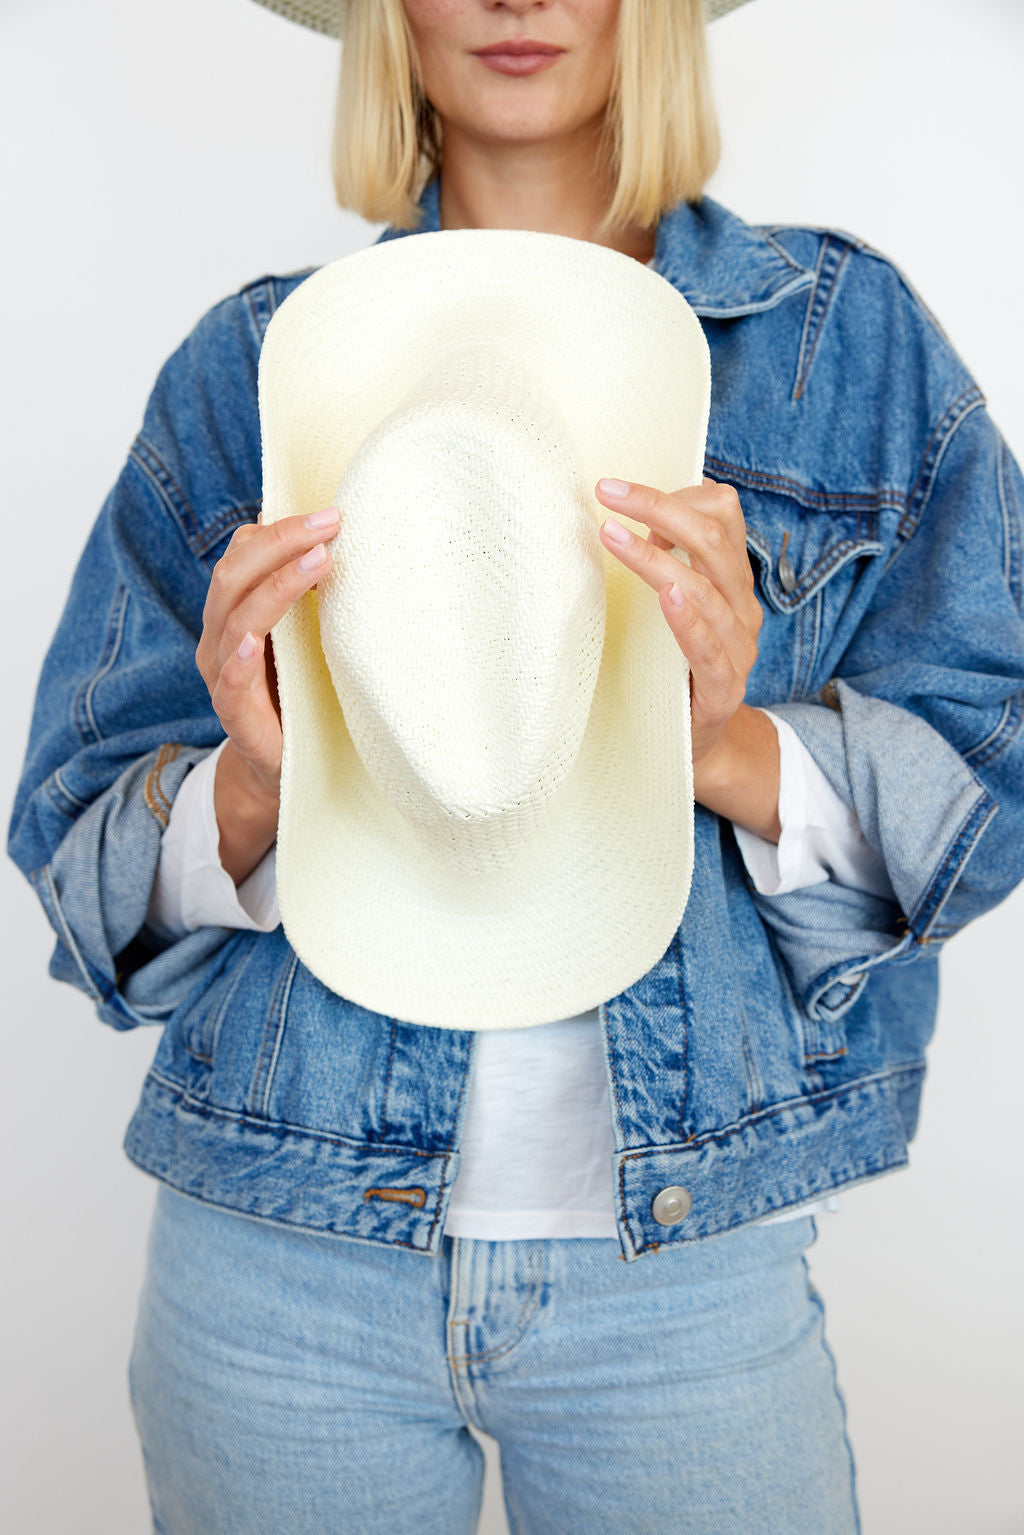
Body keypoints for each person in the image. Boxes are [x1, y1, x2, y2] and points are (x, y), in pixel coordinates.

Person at [8, 0, 1024, 1532]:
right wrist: (257, 783)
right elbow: (78, 862)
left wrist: (724, 746)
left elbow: (995, 774)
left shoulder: (840, 341)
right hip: (279, 1269)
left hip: (684, 1282)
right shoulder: (253, 370)